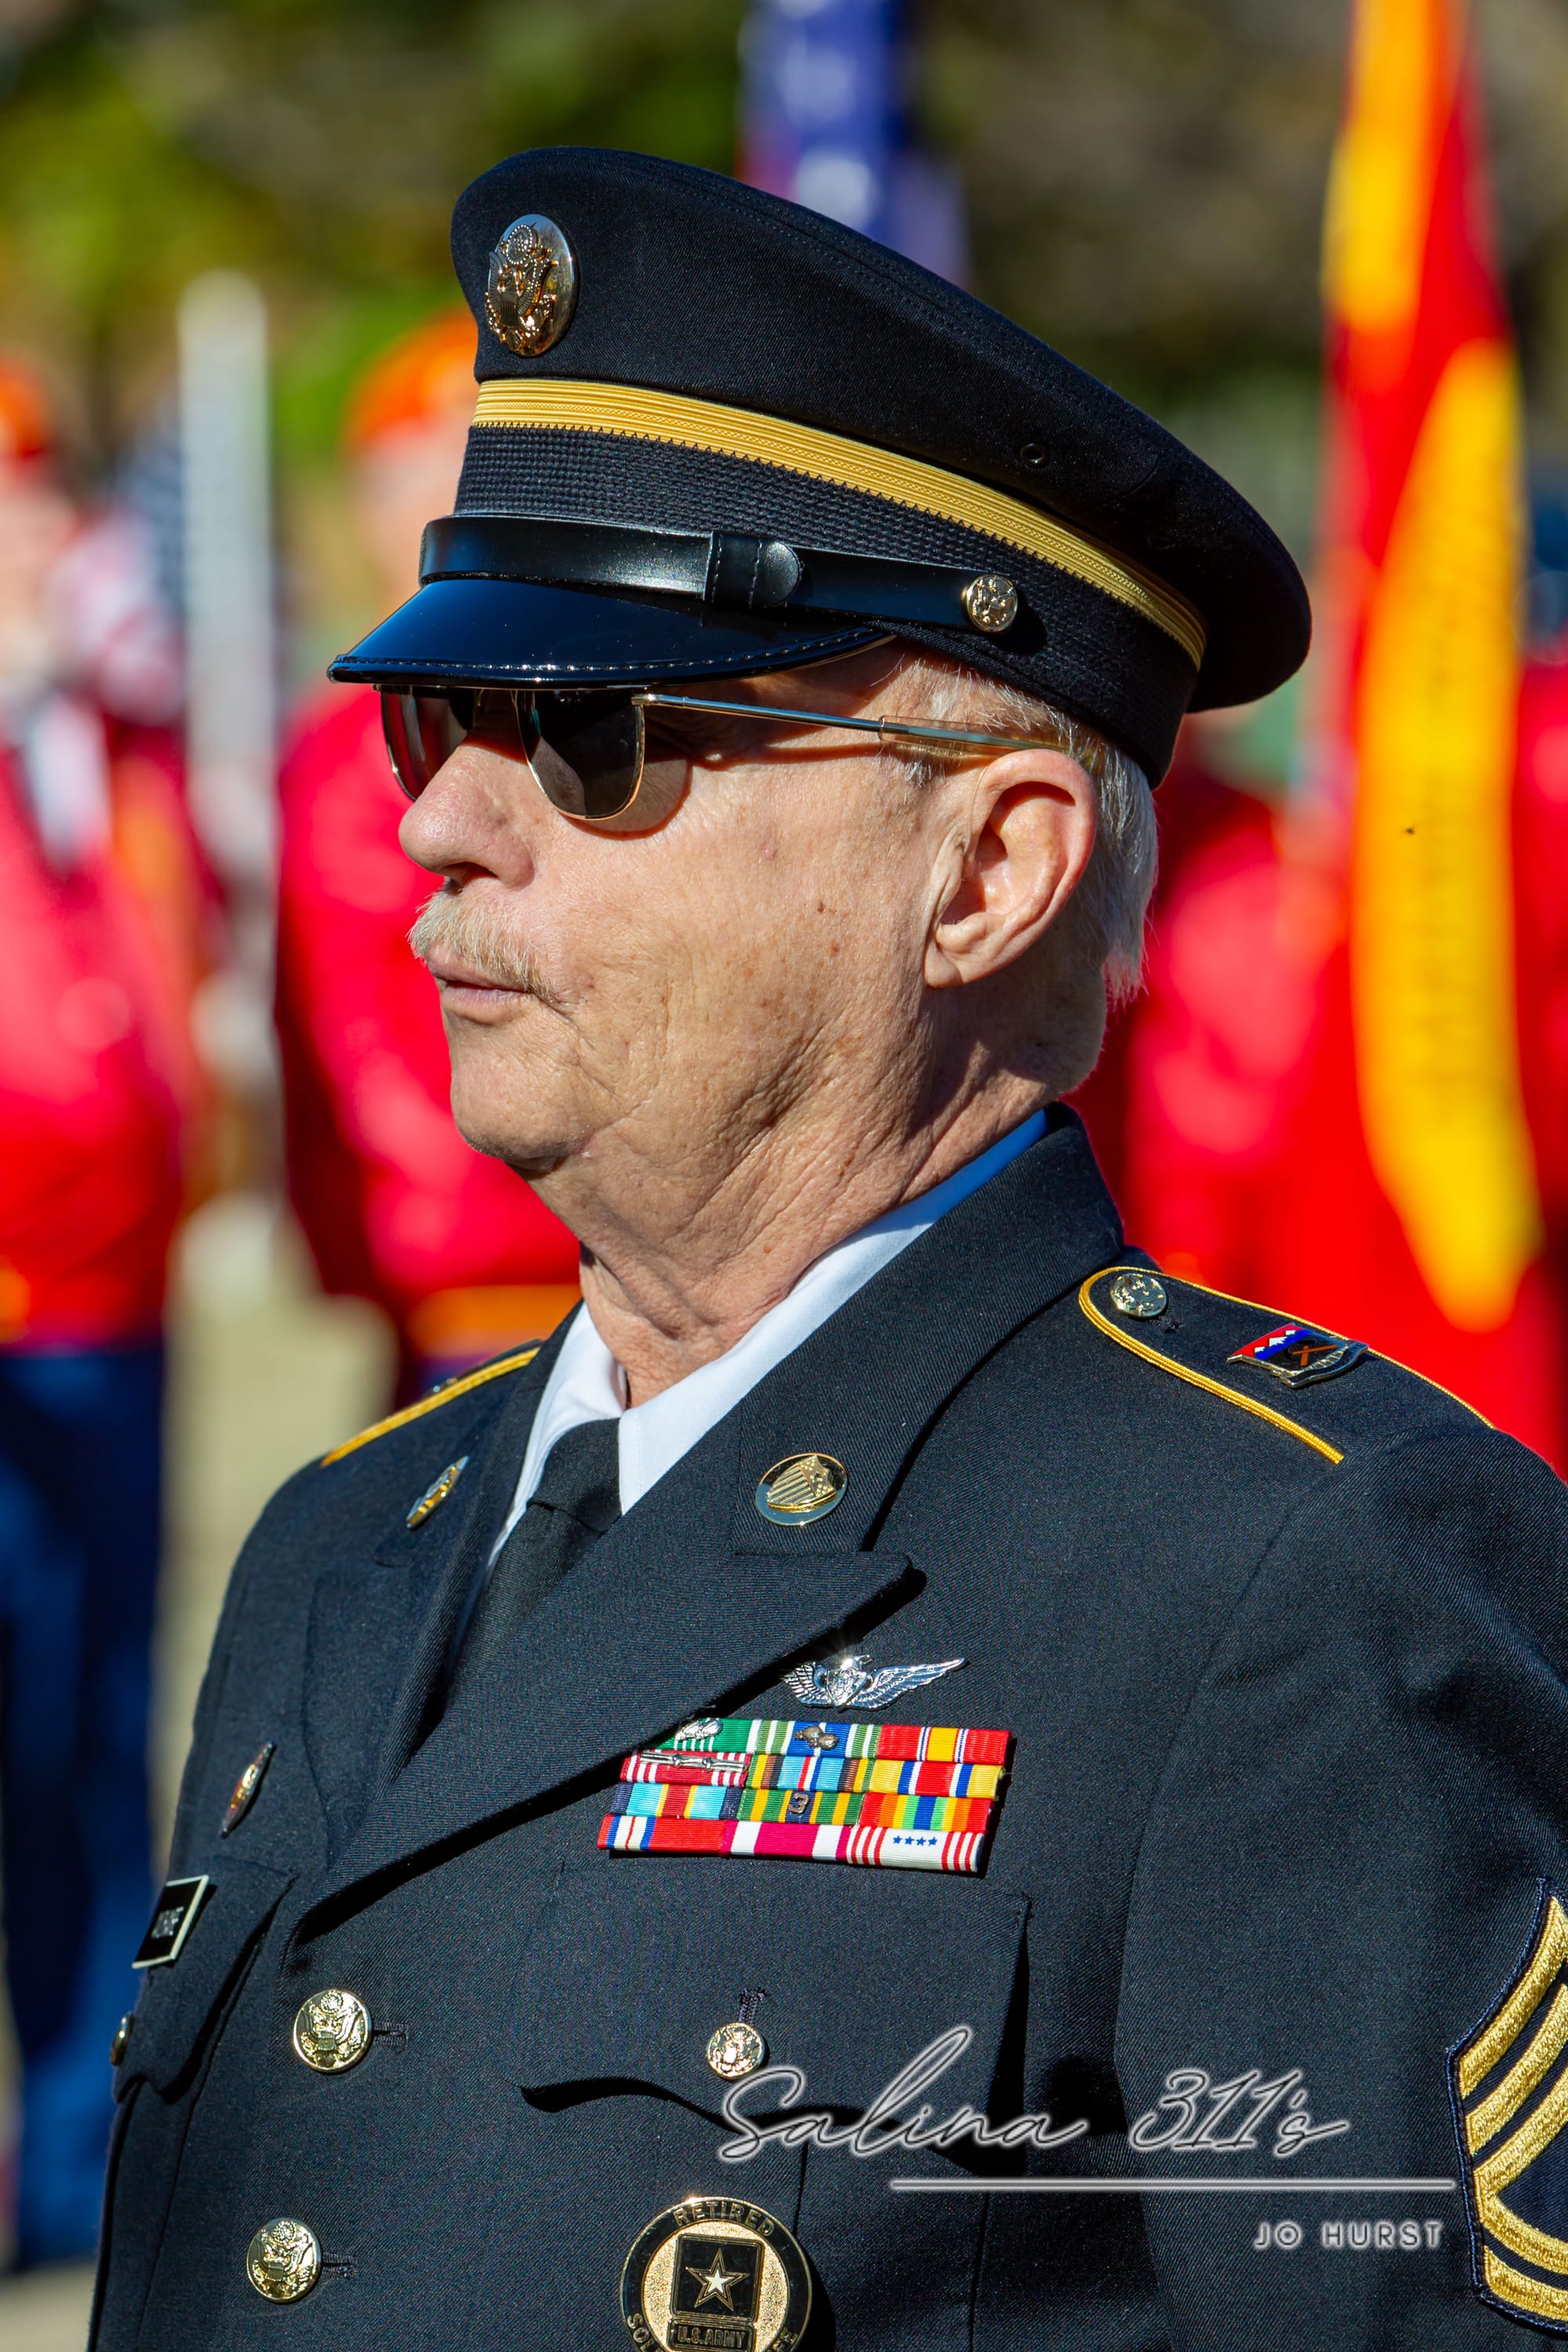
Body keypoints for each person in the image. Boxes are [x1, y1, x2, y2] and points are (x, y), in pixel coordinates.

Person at [94, 151, 1568, 2350]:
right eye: (438, 720)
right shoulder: (346, 1542)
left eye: (593, 738)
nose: (436, 821)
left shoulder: (1291, 1584)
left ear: (984, 873)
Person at [0, 356, 204, 2267]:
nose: (33, 532)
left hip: (110, 1304)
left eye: (41, 494)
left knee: (91, 1734)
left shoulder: (107, 737)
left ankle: (81, 2161)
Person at [275, 314, 579, 1400]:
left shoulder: (558, 709)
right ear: (378, 513)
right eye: (446, 485)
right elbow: (360, 1045)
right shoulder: (346, 757)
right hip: (478, 1258)